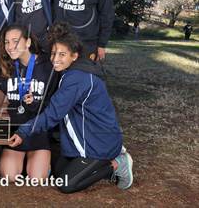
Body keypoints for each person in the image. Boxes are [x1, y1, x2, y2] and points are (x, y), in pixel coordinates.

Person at [9, 22, 133, 193]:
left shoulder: (77, 77)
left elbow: (53, 114)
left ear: (74, 56)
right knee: (59, 173)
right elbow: (58, 104)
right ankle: (97, 163)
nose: (55, 59)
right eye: (53, 53)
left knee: (66, 184)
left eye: (62, 54)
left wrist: (23, 131)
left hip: (99, 142)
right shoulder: (71, 71)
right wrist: (36, 104)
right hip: (85, 139)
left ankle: (117, 164)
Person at [0, 25, 55, 181]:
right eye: (7, 42)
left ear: (28, 42)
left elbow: (54, 104)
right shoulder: (4, 65)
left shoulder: (48, 66)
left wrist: (35, 103)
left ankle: (40, 163)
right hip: (14, 133)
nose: (10, 47)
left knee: (36, 178)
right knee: (9, 176)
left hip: (37, 132)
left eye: (15, 41)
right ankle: (20, 162)